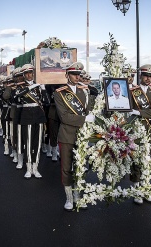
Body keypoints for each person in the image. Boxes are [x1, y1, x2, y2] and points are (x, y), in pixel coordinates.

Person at [54, 62, 94, 211]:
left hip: (82, 134)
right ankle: (69, 198)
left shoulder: (84, 91)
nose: (77, 77)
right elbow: (64, 117)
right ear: (67, 75)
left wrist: (90, 115)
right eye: (74, 74)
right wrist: (84, 119)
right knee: (66, 167)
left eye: (79, 74)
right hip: (66, 135)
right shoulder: (59, 93)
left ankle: (78, 195)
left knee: (81, 166)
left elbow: (89, 109)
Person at [128, 64, 151, 205]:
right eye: (145, 76)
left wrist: (140, 112)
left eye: (150, 76)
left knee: (148, 160)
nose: (147, 78)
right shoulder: (132, 91)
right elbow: (128, 109)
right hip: (135, 129)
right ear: (140, 76)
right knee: (136, 161)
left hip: (149, 130)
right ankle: (136, 191)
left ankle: (146, 189)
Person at [14, 64, 49, 178]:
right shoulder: (20, 86)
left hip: (39, 116)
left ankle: (36, 167)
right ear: (24, 75)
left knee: (37, 143)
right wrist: (31, 87)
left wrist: (43, 88)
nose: (29, 75)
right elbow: (17, 96)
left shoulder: (39, 86)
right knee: (28, 143)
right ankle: (28, 168)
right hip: (27, 116)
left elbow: (46, 101)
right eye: (27, 73)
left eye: (31, 73)